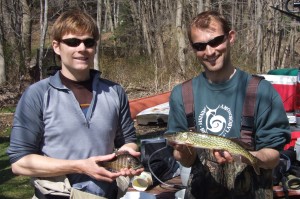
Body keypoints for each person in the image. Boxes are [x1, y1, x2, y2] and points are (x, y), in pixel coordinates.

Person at [7, 10, 143, 199]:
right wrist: (79, 166)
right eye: (72, 42)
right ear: (56, 46)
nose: (82, 48)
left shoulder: (114, 91)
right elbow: (19, 162)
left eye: (88, 42)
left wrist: (127, 157)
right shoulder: (37, 94)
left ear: (95, 47)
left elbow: (127, 141)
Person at [166, 11, 291, 199]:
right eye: (200, 46)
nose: (209, 52)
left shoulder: (261, 92)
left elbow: (273, 155)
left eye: (216, 41)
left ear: (230, 37)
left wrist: (250, 158)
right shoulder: (182, 94)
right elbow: (186, 161)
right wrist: (183, 152)